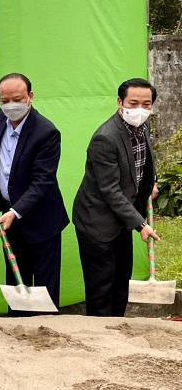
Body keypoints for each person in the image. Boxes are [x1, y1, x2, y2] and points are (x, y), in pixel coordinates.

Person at [0, 73, 68, 315]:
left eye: (17, 99)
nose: (11, 106)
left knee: (44, 287)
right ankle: (17, 326)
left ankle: (46, 330)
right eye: (5, 101)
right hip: (9, 218)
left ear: (30, 97)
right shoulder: (2, 116)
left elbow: (42, 182)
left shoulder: (46, 133)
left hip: (41, 220)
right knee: (17, 280)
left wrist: (16, 212)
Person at [73, 78, 160, 317]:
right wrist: (141, 224)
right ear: (120, 103)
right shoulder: (105, 138)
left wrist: (149, 184)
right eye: (133, 103)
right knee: (101, 287)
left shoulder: (143, 126)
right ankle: (99, 333)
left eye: (146, 104)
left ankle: (117, 330)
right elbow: (110, 189)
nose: (140, 109)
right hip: (97, 220)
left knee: (121, 282)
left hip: (122, 218)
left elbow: (142, 163)